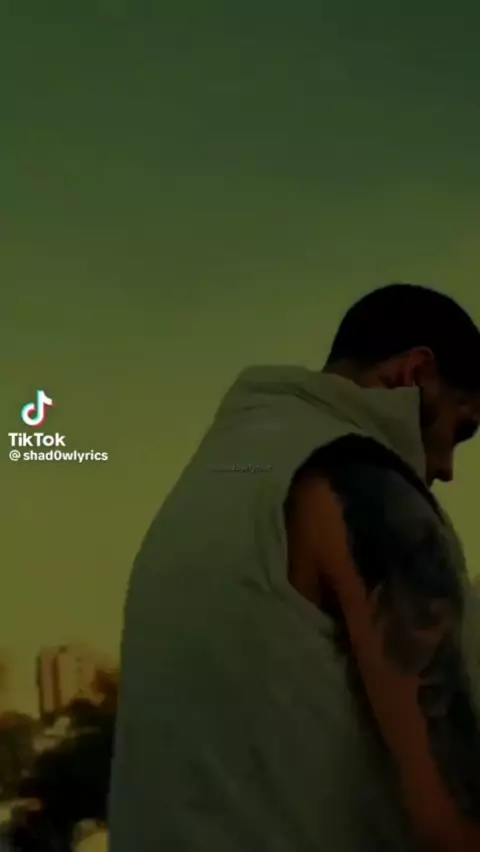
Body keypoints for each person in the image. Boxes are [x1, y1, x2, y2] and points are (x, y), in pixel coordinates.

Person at [109, 283, 480, 851]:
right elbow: (457, 822)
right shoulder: (365, 484)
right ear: (414, 376)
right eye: (461, 429)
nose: (449, 468)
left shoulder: (218, 480)